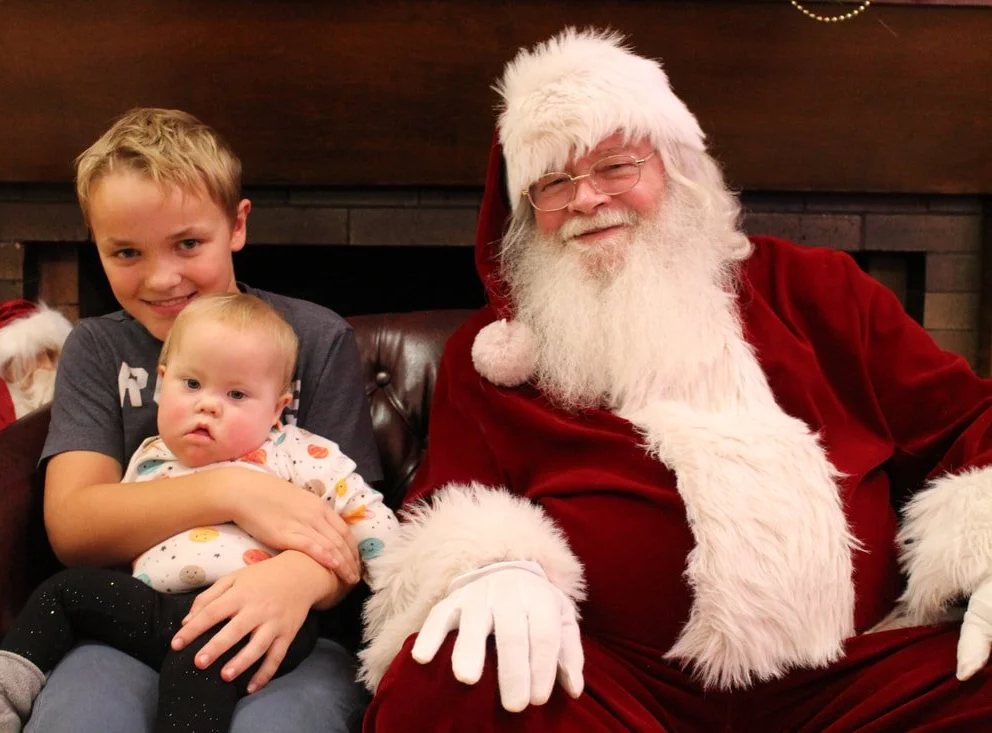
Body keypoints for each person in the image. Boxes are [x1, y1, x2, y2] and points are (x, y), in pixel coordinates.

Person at [358, 27, 992, 731]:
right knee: (454, 673)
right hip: (617, 688)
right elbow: (446, 498)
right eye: (554, 181)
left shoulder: (817, 289)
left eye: (615, 165)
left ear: (675, 169)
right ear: (526, 211)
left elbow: (970, 418)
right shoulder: (488, 356)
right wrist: (490, 567)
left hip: (852, 682)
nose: (589, 198)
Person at [10, 107, 379, 733]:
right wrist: (233, 488)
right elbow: (74, 526)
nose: (162, 278)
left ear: (236, 225)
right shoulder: (99, 350)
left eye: (187, 243)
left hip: (290, 632)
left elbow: (357, 530)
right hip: (126, 625)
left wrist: (296, 579)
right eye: (126, 251)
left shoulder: (315, 339)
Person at [0, 293, 397, 733]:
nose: (208, 407)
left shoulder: (299, 452)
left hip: (253, 615)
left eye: (237, 394)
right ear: (161, 382)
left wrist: (385, 585)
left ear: (278, 406)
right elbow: (105, 531)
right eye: (192, 385)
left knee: (198, 668)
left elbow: (370, 524)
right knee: (62, 594)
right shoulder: (153, 454)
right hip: (154, 609)